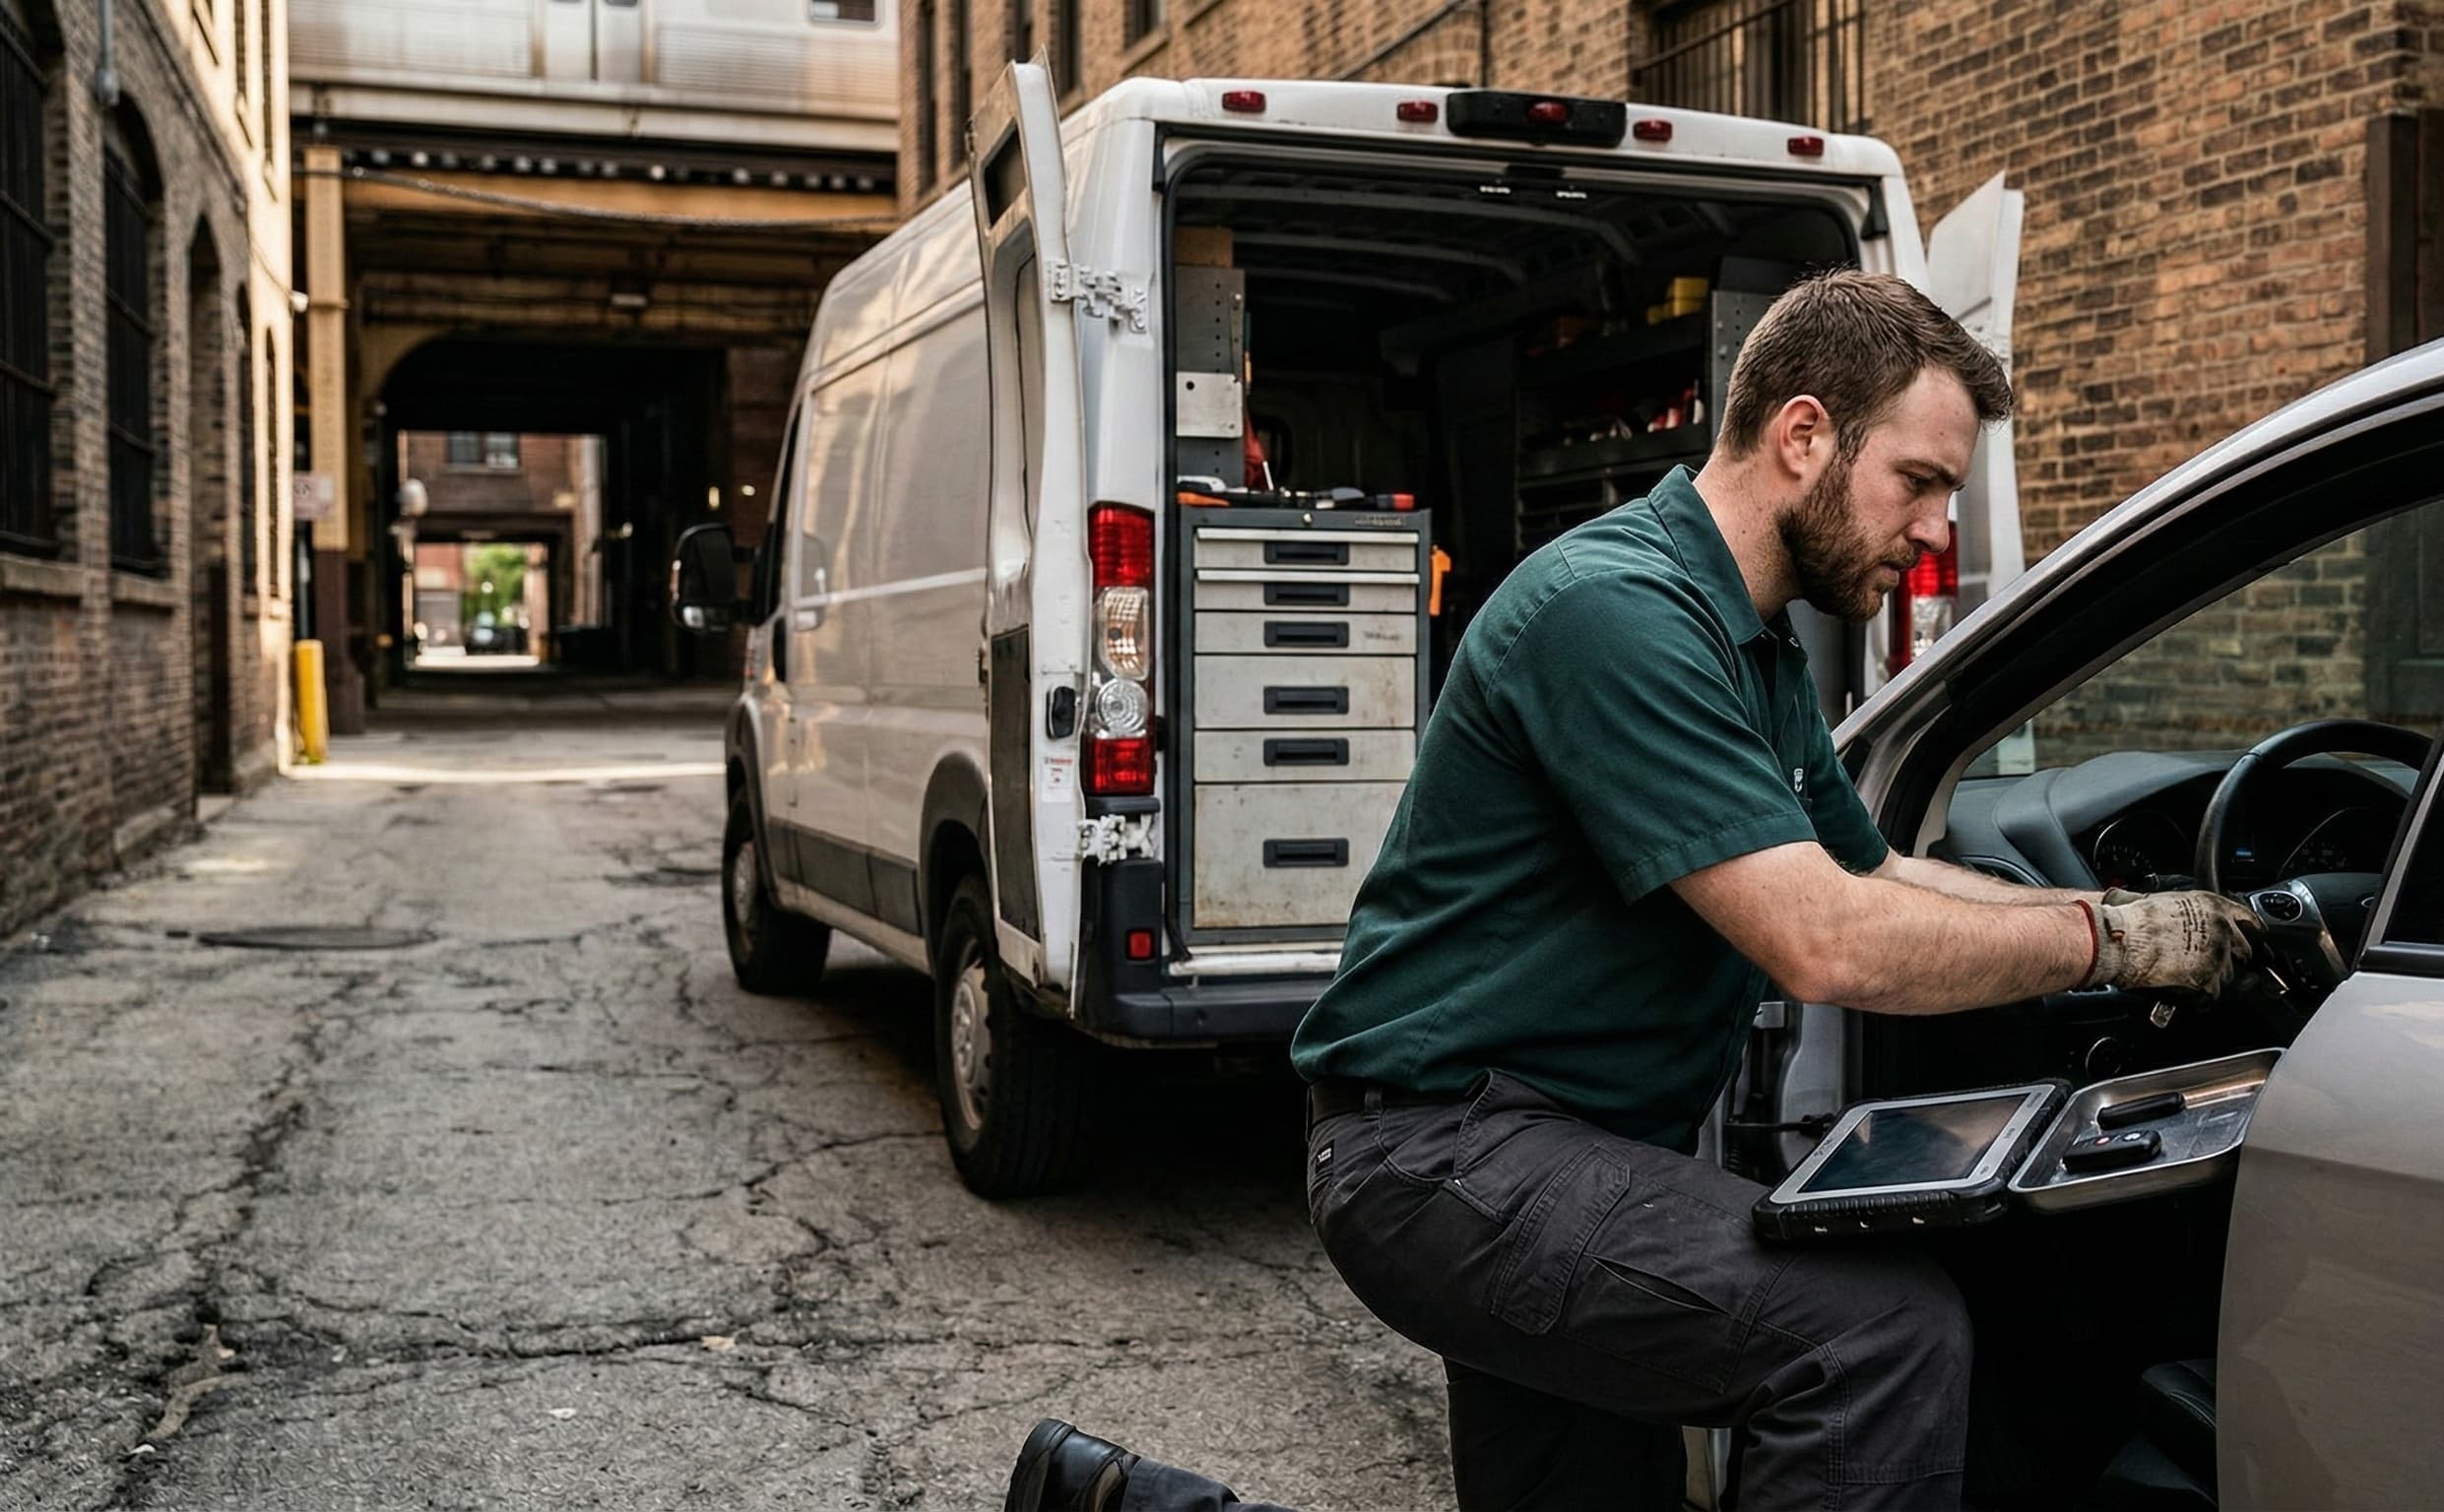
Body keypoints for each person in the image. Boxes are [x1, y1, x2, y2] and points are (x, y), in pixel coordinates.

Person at [1002, 271, 2258, 1511]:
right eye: (1919, 481)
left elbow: (1869, 870)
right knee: (1874, 1335)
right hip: (1448, 1156)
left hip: (1547, 1154)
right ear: (1803, 436)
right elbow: (1825, 941)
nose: (1936, 529)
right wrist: (2112, 943)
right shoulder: (1616, 611)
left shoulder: (1749, 645)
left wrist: (2153, 927)